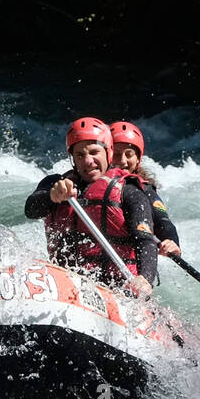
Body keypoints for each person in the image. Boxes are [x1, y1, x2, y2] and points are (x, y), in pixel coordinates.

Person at [23, 117, 158, 296]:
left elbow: (145, 241)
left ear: (108, 153)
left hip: (116, 291)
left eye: (94, 152)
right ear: (72, 158)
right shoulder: (55, 184)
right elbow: (30, 210)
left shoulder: (130, 191)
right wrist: (51, 196)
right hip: (66, 287)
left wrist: (145, 278)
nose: (88, 161)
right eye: (80, 155)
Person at [109, 120, 181, 257]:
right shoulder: (90, 181)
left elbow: (163, 220)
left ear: (138, 159)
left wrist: (171, 241)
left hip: (128, 266)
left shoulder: (144, 190)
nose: (123, 161)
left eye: (129, 155)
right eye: (116, 155)